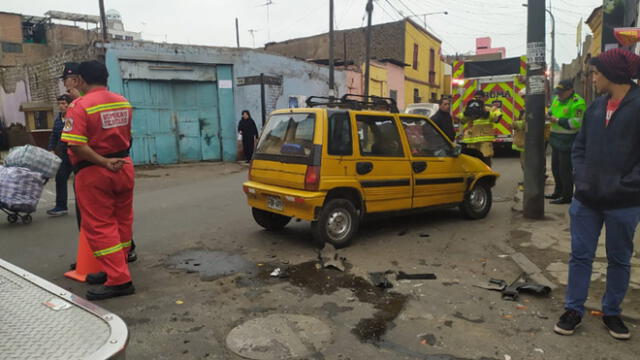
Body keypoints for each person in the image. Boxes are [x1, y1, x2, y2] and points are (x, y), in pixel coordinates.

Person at [554, 48, 640, 340]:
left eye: (597, 73)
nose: (593, 78)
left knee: (619, 259)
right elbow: (580, 146)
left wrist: (626, 183)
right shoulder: (595, 107)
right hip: (587, 200)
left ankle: (612, 312)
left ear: (613, 75)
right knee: (580, 256)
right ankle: (573, 310)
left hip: (624, 202)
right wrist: (581, 176)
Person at [61, 60, 135, 300]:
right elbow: (128, 136)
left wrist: (103, 162)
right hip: (123, 167)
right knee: (122, 221)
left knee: (100, 226)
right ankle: (116, 269)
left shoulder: (79, 106)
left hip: (95, 171)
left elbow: (76, 145)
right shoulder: (124, 102)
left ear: (81, 80)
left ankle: (119, 280)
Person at [545, 79, 586, 205]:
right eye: (558, 92)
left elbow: (576, 123)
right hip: (556, 140)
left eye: (562, 92)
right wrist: (548, 114)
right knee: (555, 168)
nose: (559, 95)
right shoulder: (557, 99)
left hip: (568, 141)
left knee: (565, 170)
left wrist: (557, 120)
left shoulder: (577, 102)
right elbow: (551, 111)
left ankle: (567, 196)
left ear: (570, 90)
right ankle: (558, 192)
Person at [46, 94, 74, 216]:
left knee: (80, 181)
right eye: (59, 104)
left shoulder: (73, 117)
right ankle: (61, 206)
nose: (61, 106)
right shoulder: (58, 119)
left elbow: (68, 135)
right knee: (60, 178)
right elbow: (54, 135)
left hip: (77, 153)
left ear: (70, 104)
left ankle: (86, 206)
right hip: (64, 154)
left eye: (63, 103)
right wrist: (51, 148)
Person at [459, 98, 499, 166]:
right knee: (472, 158)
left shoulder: (488, 109)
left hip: (484, 139)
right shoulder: (469, 108)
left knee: (486, 157)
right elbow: (462, 120)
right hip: (472, 139)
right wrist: (466, 113)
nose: (478, 98)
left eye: (480, 97)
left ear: (483, 98)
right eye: (476, 96)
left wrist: (487, 113)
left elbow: (496, 118)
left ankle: (487, 172)